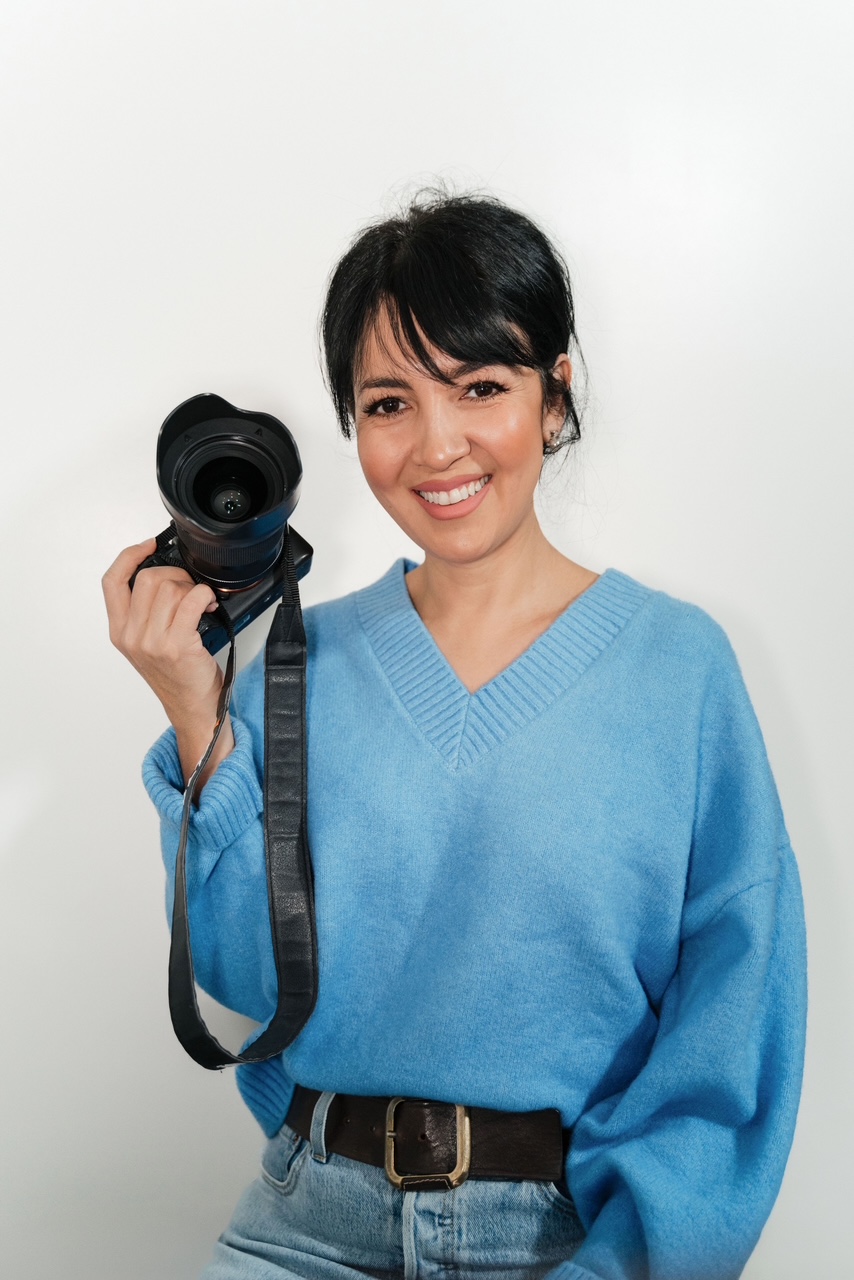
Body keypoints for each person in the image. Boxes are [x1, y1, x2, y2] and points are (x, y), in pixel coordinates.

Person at [102, 191, 807, 1280]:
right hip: (303, 1230)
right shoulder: (295, 666)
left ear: (553, 396)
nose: (437, 445)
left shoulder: (679, 668)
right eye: (389, 402)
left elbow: (731, 1024)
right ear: (349, 423)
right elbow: (243, 979)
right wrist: (197, 713)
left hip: (564, 1239)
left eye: (480, 386)